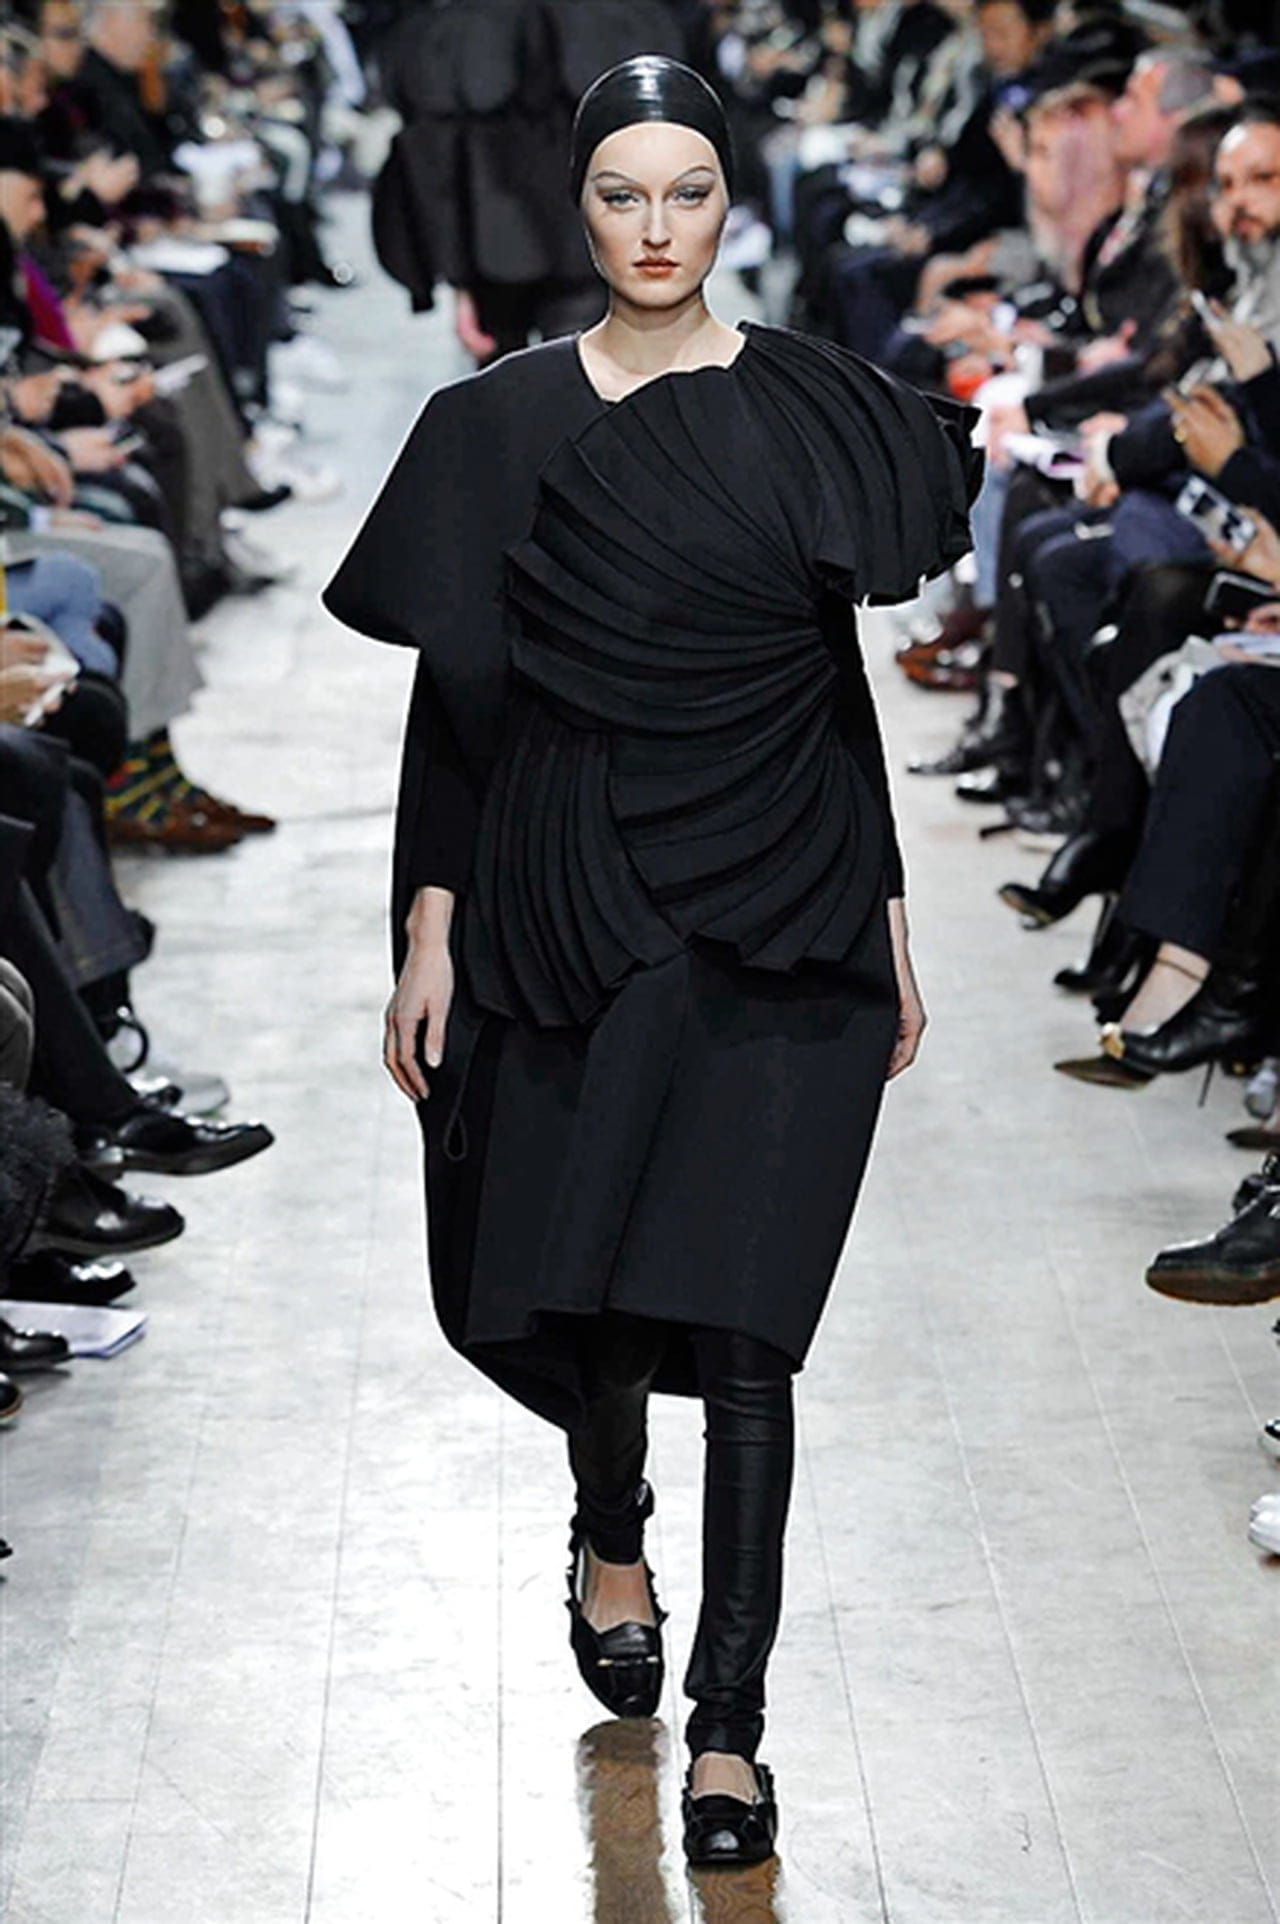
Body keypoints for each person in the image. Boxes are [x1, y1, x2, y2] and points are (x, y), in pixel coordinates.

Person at [324, 51, 979, 1869]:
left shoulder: (815, 409)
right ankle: (610, 1524)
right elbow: (457, 700)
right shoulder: (494, 424)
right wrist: (429, 924)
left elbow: (831, 681)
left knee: (750, 1322)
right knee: (603, 1292)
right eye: (624, 194)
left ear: (729, 202)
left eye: (689, 191)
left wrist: (890, 909)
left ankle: (731, 1733)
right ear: (582, 206)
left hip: (786, 887)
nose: (657, 227)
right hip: (571, 886)